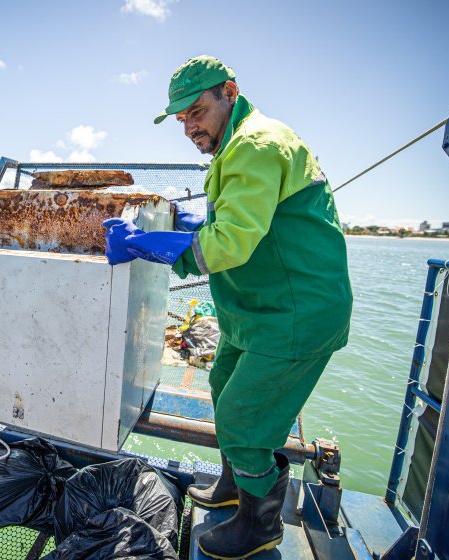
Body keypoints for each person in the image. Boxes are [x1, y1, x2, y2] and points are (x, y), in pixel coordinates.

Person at [102, 55, 352, 558]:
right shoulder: (237, 145)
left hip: (293, 315)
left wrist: (147, 245)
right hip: (255, 311)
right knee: (222, 384)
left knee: (243, 417)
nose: (189, 127)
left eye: (197, 112)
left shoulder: (256, 144)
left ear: (230, 93)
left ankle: (260, 526)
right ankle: (235, 486)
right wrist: (186, 222)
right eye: (182, 119)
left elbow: (230, 244)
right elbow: (241, 216)